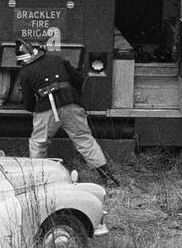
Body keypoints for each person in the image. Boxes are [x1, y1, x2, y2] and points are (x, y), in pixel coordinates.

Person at [15, 40, 119, 187]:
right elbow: (78, 79)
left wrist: (36, 110)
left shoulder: (25, 72)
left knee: (38, 143)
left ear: (23, 60)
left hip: (46, 108)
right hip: (71, 102)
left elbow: (28, 103)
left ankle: (36, 180)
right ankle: (107, 176)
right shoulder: (56, 59)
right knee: (84, 139)